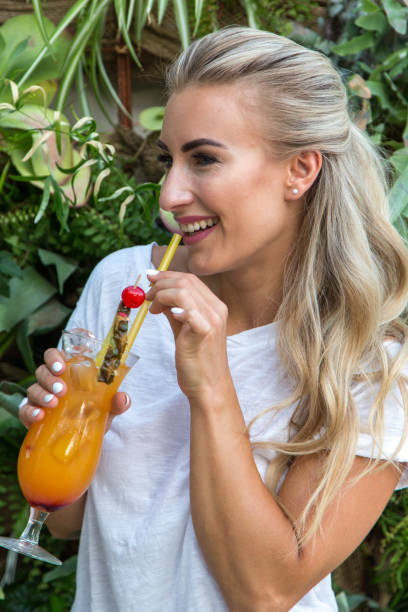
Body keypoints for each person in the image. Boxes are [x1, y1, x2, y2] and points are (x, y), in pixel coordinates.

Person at [19, 26, 408, 611]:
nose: (170, 194)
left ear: (299, 170)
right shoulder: (126, 288)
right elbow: (68, 525)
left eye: (203, 159)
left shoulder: (369, 355)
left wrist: (210, 384)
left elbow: (265, 592)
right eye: (167, 159)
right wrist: (59, 428)